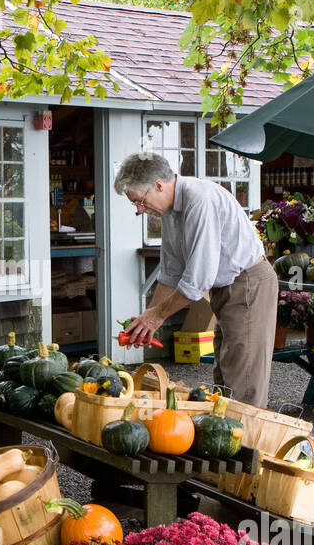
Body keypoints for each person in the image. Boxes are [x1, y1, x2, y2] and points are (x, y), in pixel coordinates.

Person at [116, 151, 277, 407]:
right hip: (225, 288)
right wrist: (150, 318)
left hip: (248, 284)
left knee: (243, 380)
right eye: (134, 204)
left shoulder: (199, 200)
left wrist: (157, 316)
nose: (140, 209)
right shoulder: (170, 212)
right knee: (225, 373)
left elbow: (197, 280)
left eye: (140, 201)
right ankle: (227, 438)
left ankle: (246, 442)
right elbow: (170, 273)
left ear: (158, 185)